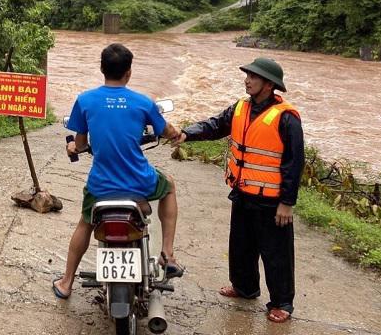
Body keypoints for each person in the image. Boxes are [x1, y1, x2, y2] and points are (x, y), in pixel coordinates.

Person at [170, 57, 304, 323]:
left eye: (253, 77)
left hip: (271, 200)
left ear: (269, 84)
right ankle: (245, 288)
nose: (247, 79)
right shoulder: (241, 107)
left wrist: (287, 203)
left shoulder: (287, 118)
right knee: (241, 245)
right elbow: (214, 125)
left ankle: (282, 303)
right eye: (247, 75)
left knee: (276, 253)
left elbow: (294, 162)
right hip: (243, 192)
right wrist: (186, 133)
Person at [52, 43, 182, 299]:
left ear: (102, 69)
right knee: (169, 184)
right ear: (129, 72)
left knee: (85, 223)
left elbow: (80, 144)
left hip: (101, 186)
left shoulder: (85, 100)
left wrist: (73, 146)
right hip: (140, 182)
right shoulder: (143, 102)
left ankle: (66, 282)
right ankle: (168, 253)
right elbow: (165, 130)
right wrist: (176, 132)